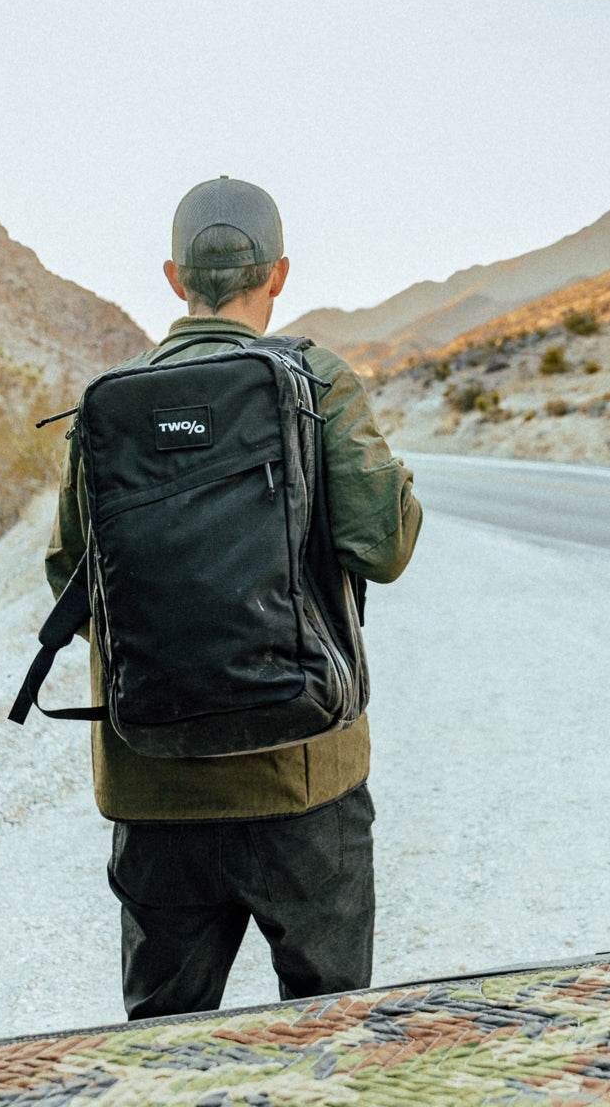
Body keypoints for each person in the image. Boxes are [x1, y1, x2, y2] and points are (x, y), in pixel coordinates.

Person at [45, 176, 422, 1019]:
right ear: (279, 275)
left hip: (155, 788)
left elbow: (67, 575)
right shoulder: (319, 378)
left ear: (174, 279)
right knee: (326, 1037)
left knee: (164, 1046)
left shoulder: (113, 399)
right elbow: (383, 548)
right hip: (303, 783)